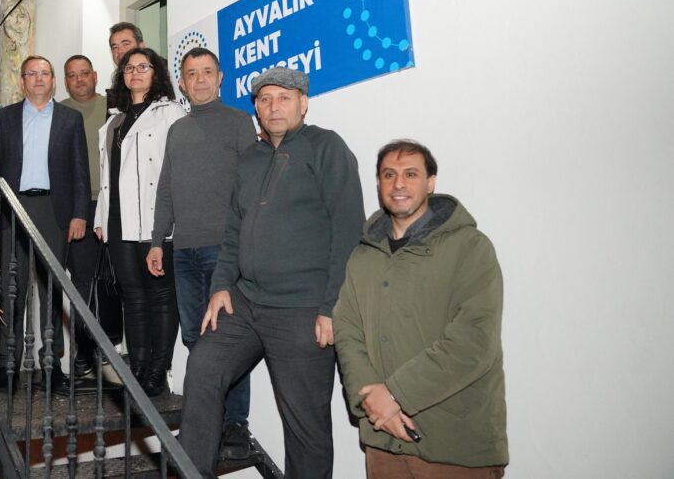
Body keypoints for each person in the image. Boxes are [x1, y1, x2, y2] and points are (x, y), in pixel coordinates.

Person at [178, 67, 364, 477]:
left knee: (305, 426)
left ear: (303, 103)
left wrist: (332, 306)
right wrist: (221, 285)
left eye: (283, 97)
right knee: (203, 369)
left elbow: (349, 233)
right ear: (256, 110)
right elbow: (232, 230)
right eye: (264, 99)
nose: (273, 106)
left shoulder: (326, 147)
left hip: (303, 309)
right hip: (244, 303)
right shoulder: (250, 159)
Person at [334, 140, 508, 478]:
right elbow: (347, 331)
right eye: (389, 174)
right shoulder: (362, 256)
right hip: (383, 441)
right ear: (379, 184)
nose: (399, 184)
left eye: (410, 174)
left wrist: (395, 395)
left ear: (430, 182)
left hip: (454, 445)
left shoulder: (470, 248)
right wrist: (372, 399)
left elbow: (474, 340)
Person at [145, 47, 257, 458]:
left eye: (207, 72)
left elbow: (253, 187)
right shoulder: (177, 130)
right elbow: (166, 191)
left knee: (228, 341)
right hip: (184, 253)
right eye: (192, 74)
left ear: (220, 77)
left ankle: (235, 426)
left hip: (225, 253)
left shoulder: (239, 122)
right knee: (195, 340)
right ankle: (205, 425)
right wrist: (158, 240)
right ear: (183, 82)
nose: (200, 80)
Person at [0, 56, 90, 393]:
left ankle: (51, 364)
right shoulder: (5, 117)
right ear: (22, 81)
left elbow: (80, 172)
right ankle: (6, 364)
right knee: (11, 289)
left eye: (45, 73)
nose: (39, 79)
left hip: (53, 211)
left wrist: (80, 213)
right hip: (13, 209)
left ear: (53, 81)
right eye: (32, 73)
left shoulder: (71, 119)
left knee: (51, 291)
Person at [93, 47, 186, 397]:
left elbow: (176, 172)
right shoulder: (114, 121)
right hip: (117, 221)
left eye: (143, 67)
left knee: (160, 295)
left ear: (156, 72)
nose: (135, 72)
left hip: (154, 219)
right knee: (132, 296)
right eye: (129, 68)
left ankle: (157, 371)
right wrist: (101, 217)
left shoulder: (171, 113)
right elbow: (107, 177)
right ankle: (139, 367)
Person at [60, 54, 124, 381]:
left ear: (95, 75)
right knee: (84, 280)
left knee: (117, 278)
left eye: (85, 73)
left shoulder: (114, 105)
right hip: (80, 206)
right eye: (73, 75)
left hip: (116, 202)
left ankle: (114, 347)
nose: (80, 80)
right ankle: (84, 354)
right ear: (65, 80)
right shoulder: (59, 112)